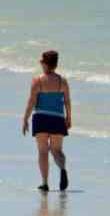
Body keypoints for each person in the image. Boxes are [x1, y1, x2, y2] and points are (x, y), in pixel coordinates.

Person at [22, 50, 71, 193]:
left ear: (45, 64)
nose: (40, 63)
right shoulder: (63, 81)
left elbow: (31, 102)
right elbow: (67, 101)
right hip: (58, 118)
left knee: (43, 151)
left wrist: (25, 118)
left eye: (42, 61)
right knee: (57, 150)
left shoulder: (38, 81)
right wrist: (69, 117)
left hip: (41, 118)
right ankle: (62, 169)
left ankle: (45, 183)